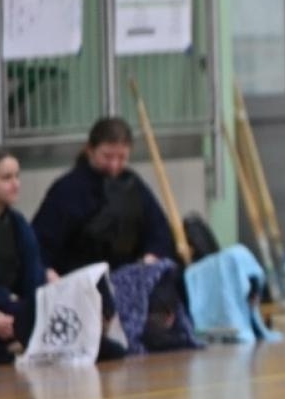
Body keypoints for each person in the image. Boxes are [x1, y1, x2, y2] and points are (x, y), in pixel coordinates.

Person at [31, 118, 194, 353]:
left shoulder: (133, 185)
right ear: (90, 150)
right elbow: (41, 241)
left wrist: (151, 256)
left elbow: (158, 230)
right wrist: (47, 270)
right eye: (107, 157)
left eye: (122, 158)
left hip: (127, 272)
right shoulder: (67, 190)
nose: (115, 165)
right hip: (83, 276)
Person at [0, 147, 125, 365]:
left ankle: (31, 340)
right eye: (6, 178)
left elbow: (34, 274)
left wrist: (44, 295)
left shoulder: (18, 222)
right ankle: (23, 341)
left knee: (95, 284)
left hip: (23, 304)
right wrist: (13, 301)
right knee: (24, 314)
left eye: (17, 176)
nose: (15, 184)